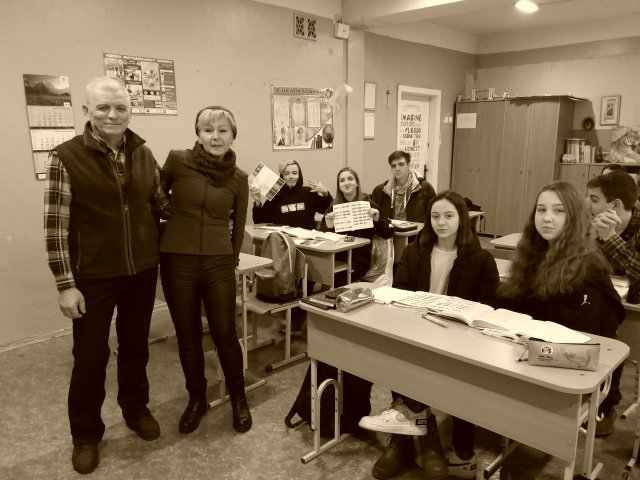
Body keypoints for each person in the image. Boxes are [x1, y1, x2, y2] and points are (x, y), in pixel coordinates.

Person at [44, 76, 168, 474]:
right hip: (92, 276)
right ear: (86, 111)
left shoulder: (143, 153)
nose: (113, 115)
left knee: (135, 347)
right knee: (90, 357)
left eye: (120, 108)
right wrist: (66, 285)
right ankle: (85, 435)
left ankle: (136, 409)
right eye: (103, 107)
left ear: (130, 111)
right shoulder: (65, 157)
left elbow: (162, 204)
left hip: (141, 272)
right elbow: (55, 227)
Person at [358, 191, 499, 480]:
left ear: (462, 219)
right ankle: (408, 440)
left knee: (461, 376)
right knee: (402, 353)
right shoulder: (414, 252)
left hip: (460, 340)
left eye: (448, 216)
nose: (441, 222)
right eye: (435, 216)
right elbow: (401, 294)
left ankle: (434, 437)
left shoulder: (481, 259)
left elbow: (488, 307)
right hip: (418, 331)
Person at [500, 181, 624, 435]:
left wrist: (534, 352)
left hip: (574, 374)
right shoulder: (534, 255)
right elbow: (516, 305)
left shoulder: (587, 267)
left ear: (574, 218)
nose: (547, 218)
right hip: (535, 358)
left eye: (558, 211)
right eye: (541, 210)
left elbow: (582, 350)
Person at [159, 106, 251, 436]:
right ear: (198, 133)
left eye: (223, 130)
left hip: (218, 263)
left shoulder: (239, 178)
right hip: (177, 261)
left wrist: (231, 260)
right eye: (208, 130)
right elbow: (156, 193)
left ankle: (239, 398)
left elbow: (239, 224)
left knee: (225, 334)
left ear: (233, 136)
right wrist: (172, 215)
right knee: (188, 336)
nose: (215, 137)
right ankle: (196, 399)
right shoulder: (178, 160)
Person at [323, 167, 394, 286]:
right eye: (342, 180)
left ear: (357, 183)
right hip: (338, 254)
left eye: (350, 179)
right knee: (320, 270)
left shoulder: (368, 203)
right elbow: (323, 236)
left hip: (359, 258)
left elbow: (389, 232)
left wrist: (377, 220)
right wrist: (329, 227)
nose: (346, 183)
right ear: (339, 185)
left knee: (338, 278)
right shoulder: (334, 206)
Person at [251, 159, 332, 230]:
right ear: (282, 176)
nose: (291, 177)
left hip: (306, 240)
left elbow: (326, 209)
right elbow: (259, 222)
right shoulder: (275, 195)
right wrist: (257, 202)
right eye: (286, 174)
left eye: (294, 173)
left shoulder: (308, 192)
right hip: (283, 240)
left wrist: (325, 192)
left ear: (299, 175)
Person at [371, 150, 436, 223]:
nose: (397, 169)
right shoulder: (380, 191)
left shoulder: (425, 187)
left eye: (401, 164)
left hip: (417, 230)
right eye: (393, 166)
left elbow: (433, 215)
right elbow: (374, 219)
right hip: (389, 229)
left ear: (409, 165)